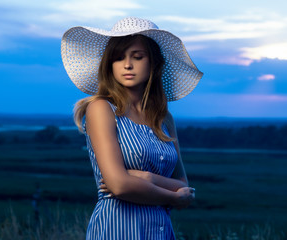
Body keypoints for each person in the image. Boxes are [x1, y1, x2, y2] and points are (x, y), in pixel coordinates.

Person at [61, 17, 203, 239]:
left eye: (137, 57)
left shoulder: (164, 118)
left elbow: (183, 183)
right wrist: (173, 198)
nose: (127, 64)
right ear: (110, 64)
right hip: (117, 229)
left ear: (154, 63)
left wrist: (149, 179)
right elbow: (118, 185)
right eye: (118, 58)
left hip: (160, 230)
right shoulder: (101, 109)